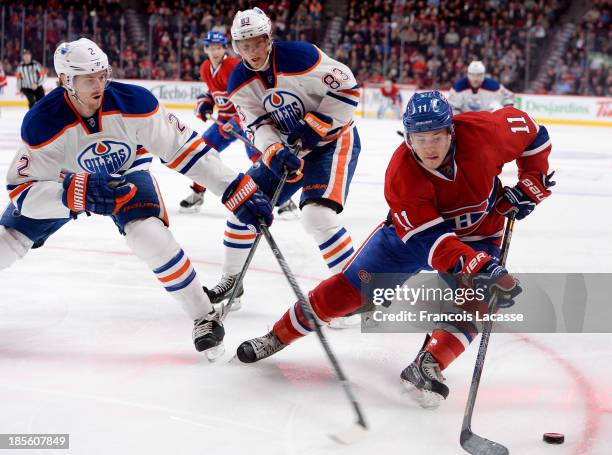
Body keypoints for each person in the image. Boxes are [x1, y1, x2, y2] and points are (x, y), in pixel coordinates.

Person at [235, 91, 554, 409]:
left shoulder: (485, 132)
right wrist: (476, 265)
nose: (428, 147)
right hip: (411, 238)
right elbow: (430, 242)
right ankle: (278, 335)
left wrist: (531, 181)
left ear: (450, 131)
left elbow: (534, 135)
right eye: (419, 138)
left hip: (480, 231)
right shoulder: (401, 173)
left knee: (481, 298)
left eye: (436, 137)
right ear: (408, 136)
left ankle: (429, 363)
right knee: (346, 292)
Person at [0, 38, 273, 358]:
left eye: (103, 75)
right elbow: (23, 191)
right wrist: (76, 193)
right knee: (8, 241)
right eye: (89, 78)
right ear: (65, 81)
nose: (99, 84)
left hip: (126, 172)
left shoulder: (135, 102)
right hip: (66, 180)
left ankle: (204, 315)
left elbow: (186, 151)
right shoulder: (42, 121)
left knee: (149, 237)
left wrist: (234, 189)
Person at [204, 7, 362, 318]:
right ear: (236, 46)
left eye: (257, 42)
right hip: (291, 147)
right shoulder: (238, 79)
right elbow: (257, 124)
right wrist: (275, 151)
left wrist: (316, 125)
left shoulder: (301, 57)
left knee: (317, 216)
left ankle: (353, 293)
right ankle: (232, 282)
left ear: (268, 38)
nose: (252, 51)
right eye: (244, 45)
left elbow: (348, 88)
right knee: (244, 203)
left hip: (333, 141)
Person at [180, 31, 299, 218]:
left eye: (218, 47)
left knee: (259, 156)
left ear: (224, 48)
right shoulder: (205, 68)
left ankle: (284, 200)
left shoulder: (233, 66)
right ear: (205, 49)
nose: (215, 52)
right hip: (224, 121)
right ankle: (198, 193)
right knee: (202, 153)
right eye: (211, 48)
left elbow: (248, 97)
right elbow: (212, 92)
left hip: (248, 119)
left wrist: (237, 121)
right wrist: (206, 103)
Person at [447, 61, 514, 113]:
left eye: (478, 75)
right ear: (468, 74)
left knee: (496, 106)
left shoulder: (494, 86)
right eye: (473, 75)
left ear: (483, 75)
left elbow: (509, 97)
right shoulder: (458, 87)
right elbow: (451, 107)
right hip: (465, 121)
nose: (475, 79)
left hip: (487, 121)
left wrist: (506, 112)